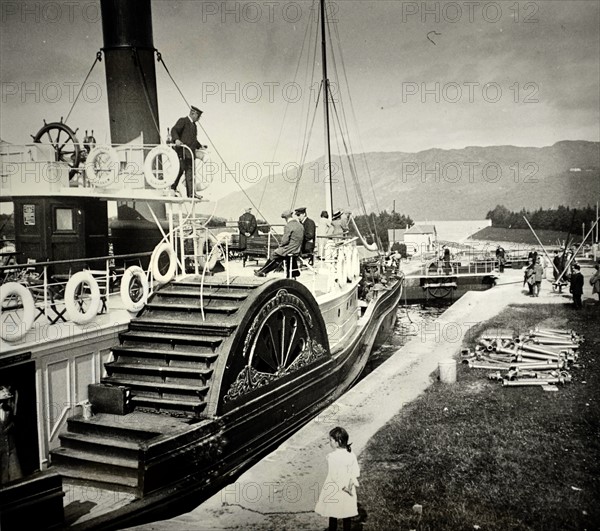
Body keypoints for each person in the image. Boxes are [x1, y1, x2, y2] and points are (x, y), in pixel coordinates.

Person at [315, 426, 360, 531]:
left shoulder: (332, 457)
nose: (329, 442)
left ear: (338, 442)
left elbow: (334, 475)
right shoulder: (351, 454)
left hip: (335, 489)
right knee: (346, 514)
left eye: (330, 440)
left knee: (333, 513)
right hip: (348, 489)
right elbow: (355, 472)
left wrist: (344, 487)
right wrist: (349, 485)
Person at [170, 106, 207, 198]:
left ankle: (191, 194)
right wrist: (176, 140)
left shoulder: (194, 126)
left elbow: (193, 140)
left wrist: (200, 146)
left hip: (190, 153)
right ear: (193, 113)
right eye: (198, 116)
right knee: (180, 169)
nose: (199, 118)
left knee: (189, 173)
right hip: (182, 152)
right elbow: (174, 130)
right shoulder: (183, 121)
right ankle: (172, 187)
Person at [254, 210, 304, 277]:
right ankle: (262, 271)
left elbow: (284, 241)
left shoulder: (288, 226)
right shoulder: (300, 225)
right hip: (297, 249)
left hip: (289, 249)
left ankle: (263, 271)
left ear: (286, 218)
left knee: (274, 254)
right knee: (279, 257)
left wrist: (280, 245)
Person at [0, 385, 22, 486]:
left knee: (15, 477)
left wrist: (9, 428)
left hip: (11, 447)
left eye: (5, 400)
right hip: (1, 451)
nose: (3, 403)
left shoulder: (8, 410)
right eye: (1, 400)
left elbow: (13, 423)